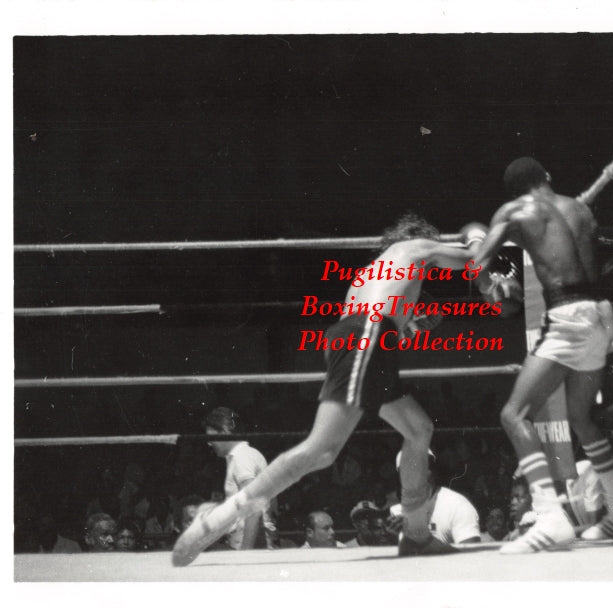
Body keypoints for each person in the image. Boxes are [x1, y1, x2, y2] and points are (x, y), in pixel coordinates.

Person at [173, 213, 481, 565]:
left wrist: (408, 324)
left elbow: (375, 318)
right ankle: (213, 523)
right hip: (367, 338)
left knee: (418, 429)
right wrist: (478, 235)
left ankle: (415, 536)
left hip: (367, 339)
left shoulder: (380, 269)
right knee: (320, 451)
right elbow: (474, 260)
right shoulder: (416, 247)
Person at [468, 157, 613, 553]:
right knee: (581, 418)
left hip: (567, 316)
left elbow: (478, 262)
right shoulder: (580, 207)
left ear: (514, 191)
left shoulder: (514, 210)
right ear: (546, 176)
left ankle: (550, 519)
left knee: (513, 414)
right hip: (603, 315)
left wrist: (488, 279)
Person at [203, 407, 276, 550]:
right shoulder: (248, 455)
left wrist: (246, 552)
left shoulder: (241, 457)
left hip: (251, 546)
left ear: (224, 432)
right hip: (255, 542)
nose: (209, 443)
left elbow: (253, 506)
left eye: (211, 438)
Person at [387, 450, 481, 545]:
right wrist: (392, 537)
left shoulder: (457, 506)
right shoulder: (397, 511)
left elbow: (471, 555)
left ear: (434, 471)